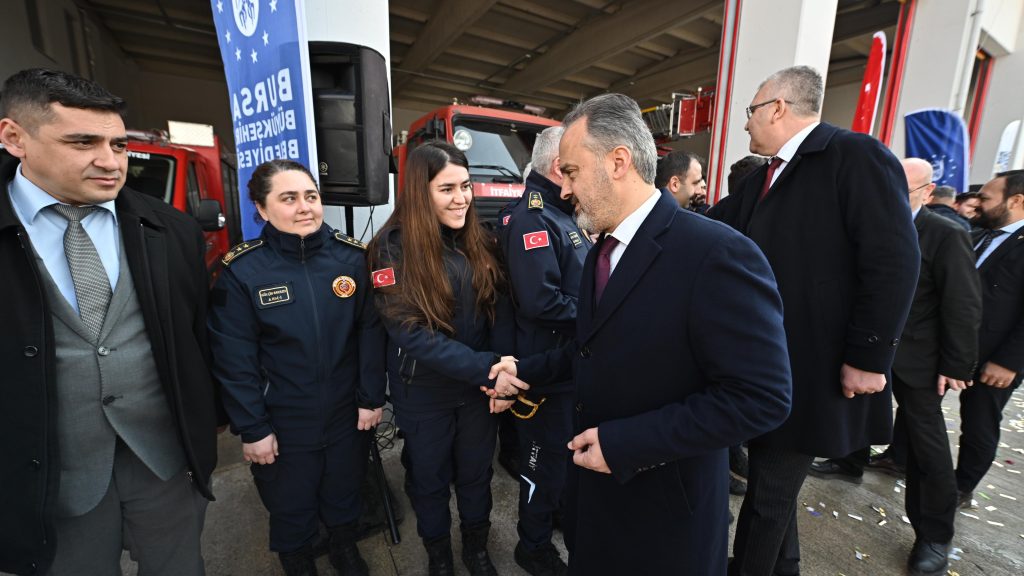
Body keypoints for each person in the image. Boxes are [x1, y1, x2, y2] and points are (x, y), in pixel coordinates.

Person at [487, 93, 793, 575]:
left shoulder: (716, 254)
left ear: (618, 162)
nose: (564, 190)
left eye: (570, 172)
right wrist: (523, 372)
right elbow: (591, 348)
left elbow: (761, 398)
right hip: (596, 506)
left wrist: (627, 444)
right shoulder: (602, 248)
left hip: (665, 520)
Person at [0, 68, 219, 576]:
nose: (109, 161)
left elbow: (194, 337)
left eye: (118, 145)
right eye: (82, 142)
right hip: (48, 477)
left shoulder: (171, 230)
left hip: (163, 462)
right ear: (15, 138)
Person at [707, 65, 920, 576]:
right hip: (768, 361)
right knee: (772, 483)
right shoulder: (765, 176)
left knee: (767, 497)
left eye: (751, 111)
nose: (745, 125)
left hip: (817, 366)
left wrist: (869, 357)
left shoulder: (854, 156)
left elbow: (894, 260)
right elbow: (710, 228)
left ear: (777, 107)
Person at [207, 160, 385, 576]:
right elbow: (235, 361)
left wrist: (371, 398)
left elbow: (371, 334)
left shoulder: (353, 259)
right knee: (290, 505)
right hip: (282, 422)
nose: (305, 207)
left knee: (345, 491)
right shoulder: (242, 272)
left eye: (311, 196)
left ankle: (344, 549)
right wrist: (253, 428)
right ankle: (298, 561)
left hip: (347, 413)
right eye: (289, 198)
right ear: (262, 209)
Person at [809, 158, 981, 576]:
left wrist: (957, 362)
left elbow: (963, 303)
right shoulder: (863, 224)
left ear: (926, 192)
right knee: (853, 412)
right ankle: (849, 462)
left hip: (917, 358)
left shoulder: (944, 234)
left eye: (899, 192)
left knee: (926, 446)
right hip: (864, 348)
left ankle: (934, 535)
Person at [367, 141, 514, 576]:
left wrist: (502, 373)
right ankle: (439, 556)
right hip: (424, 393)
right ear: (419, 192)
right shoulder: (390, 249)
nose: (462, 198)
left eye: (466, 186)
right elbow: (411, 333)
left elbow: (499, 311)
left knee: (475, 477)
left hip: (478, 390)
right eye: (447, 189)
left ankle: (477, 549)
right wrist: (489, 367)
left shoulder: (481, 240)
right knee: (429, 484)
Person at [497, 125, 589, 576]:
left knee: (563, 464)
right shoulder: (535, 217)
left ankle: (549, 516)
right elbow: (541, 301)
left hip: (568, 366)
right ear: (558, 166)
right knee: (542, 465)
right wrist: (600, 311)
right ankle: (531, 546)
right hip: (546, 372)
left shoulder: (563, 212)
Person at [955, 169, 1024, 509]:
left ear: (1016, 200)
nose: (976, 203)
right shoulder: (981, 235)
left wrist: (1009, 361)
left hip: (996, 355)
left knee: (979, 422)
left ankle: (962, 487)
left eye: (985, 197)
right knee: (921, 408)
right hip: (955, 346)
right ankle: (900, 458)